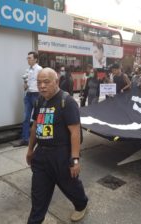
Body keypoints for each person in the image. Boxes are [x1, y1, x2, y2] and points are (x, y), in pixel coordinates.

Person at [26, 68, 88, 224]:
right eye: (39, 82)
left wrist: (74, 159)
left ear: (56, 82)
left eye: (46, 82)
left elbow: (75, 132)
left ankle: (81, 205)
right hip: (41, 155)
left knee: (70, 186)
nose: (42, 86)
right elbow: (35, 127)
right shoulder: (39, 101)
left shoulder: (67, 102)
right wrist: (30, 149)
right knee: (38, 194)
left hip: (61, 154)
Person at [14, 52, 42, 147]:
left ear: (35, 59)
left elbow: (42, 83)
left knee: (39, 118)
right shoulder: (27, 71)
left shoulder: (39, 70)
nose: (28, 59)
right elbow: (26, 86)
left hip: (37, 95)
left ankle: (40, 139)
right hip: (28, 95)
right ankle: (25, 139)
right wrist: (25, 84)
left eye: (30, 58)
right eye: (27, 58)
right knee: (26, 118)